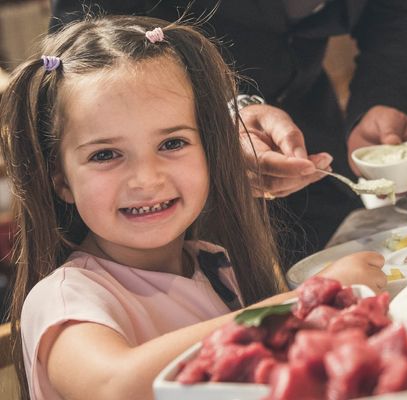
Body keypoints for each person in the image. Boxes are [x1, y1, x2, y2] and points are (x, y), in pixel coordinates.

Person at [0, 16, 387, 399]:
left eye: (172, 144)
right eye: (106, 154)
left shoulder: (215, 266)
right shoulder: (66, 298)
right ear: (62, 180)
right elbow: (114, 385)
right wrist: (307, 300)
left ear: (212, 148)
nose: (146, 179)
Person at [50, 0, 407, 268]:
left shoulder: (216, 274)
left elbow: (393, 11)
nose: (145, 177)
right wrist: (223, 112)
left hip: (309, 127)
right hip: (180, 171)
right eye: (103, 155)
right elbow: (94, 45)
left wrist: (384, 100)